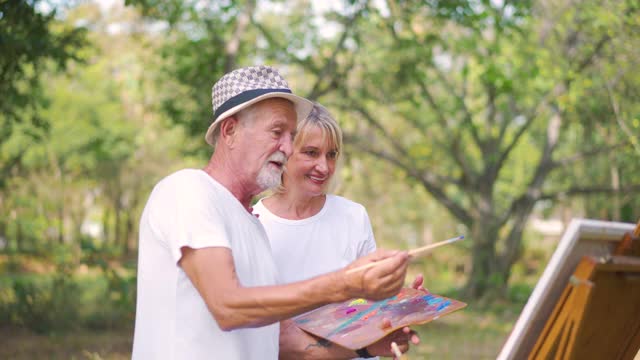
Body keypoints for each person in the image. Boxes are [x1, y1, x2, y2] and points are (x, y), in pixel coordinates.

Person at [131, 65, 411, 360]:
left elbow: (287, 341)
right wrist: (344, 283)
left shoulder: (254, 226)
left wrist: (365, 347)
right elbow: (228, 306)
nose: (288, 148)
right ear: (230, 131)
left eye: (292, 136)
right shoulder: (188, 190)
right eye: (277, 132)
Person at [254, 103, 424, 359]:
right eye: (311, 153)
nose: (324, 167)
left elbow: (367, 306)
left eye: (331, 155)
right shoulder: (255, 224)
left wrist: (402, 305)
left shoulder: (353, 216)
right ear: (285, 152)